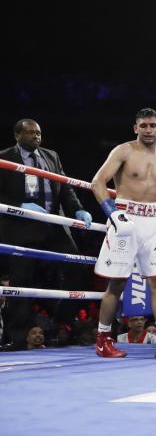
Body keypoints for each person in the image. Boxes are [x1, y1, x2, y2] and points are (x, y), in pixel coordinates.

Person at [90, 108, 156, 360]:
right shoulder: (123, 151)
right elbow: (98, 182)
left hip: (153, 221)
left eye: (152, 125)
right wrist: (112, 214)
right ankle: (103, 339)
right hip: (125, 219)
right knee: (116, 282)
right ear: (135, 128)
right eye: (143, 125)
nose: (148, 130)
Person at [0, 118, 93, 345]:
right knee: (22, 280)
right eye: (30, 133)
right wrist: (18, 205)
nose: (36, 136)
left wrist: (79, 209)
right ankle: (18, 337)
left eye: (38, 133)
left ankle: (61, 320)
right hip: (22, 225)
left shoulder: (51, 156)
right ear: (17, 135)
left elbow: (65, 188)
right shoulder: (4, 157)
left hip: (53, 223)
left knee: (76, 264)